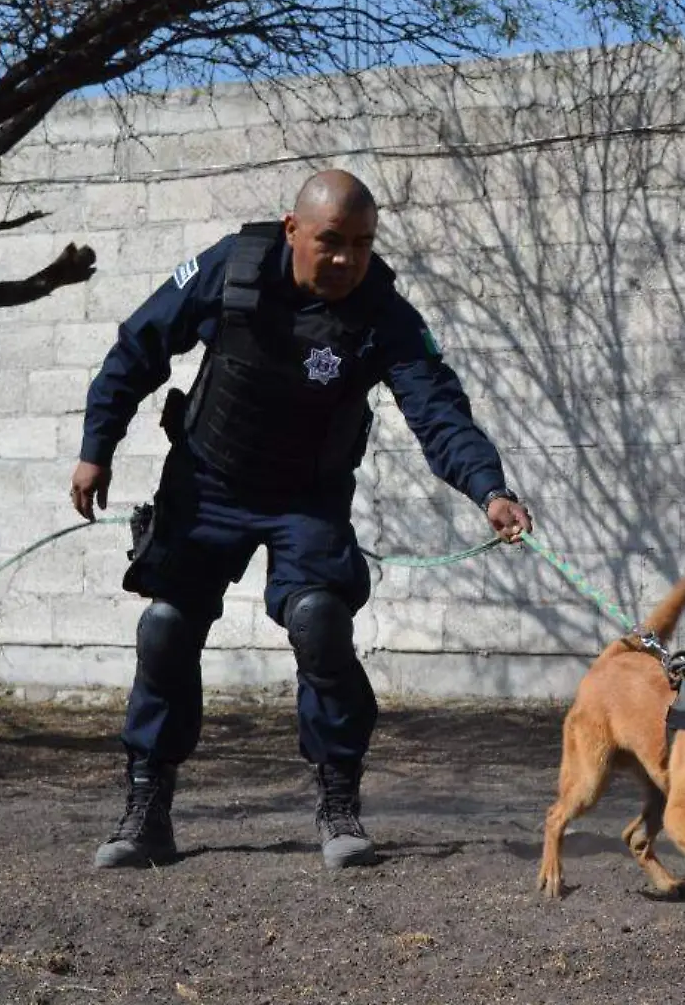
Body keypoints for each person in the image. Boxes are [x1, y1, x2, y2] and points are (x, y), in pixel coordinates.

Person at [70, 169, 534, 871]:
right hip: (208, 484)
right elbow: (140, 344)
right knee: (165, 628)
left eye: (363, 244)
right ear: (293, 231)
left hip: (307, 501)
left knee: (320, 621)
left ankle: (339, 799)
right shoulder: (233, 269)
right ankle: (146, 809)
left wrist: (489, 490)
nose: (348, 258)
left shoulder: (383, 313)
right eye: (331, 242)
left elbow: (437, 409)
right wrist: (96, 447)